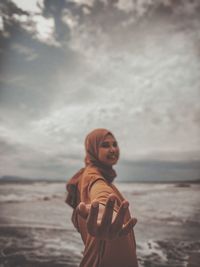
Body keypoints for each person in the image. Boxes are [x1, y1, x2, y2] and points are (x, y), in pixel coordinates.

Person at [65, 128, 138, 267]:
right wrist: (103, 206)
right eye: (105, 145)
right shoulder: (91, 174)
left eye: (115, 144)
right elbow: (98, 189)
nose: (112, 149)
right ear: (92, 149)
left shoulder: (99, 174)